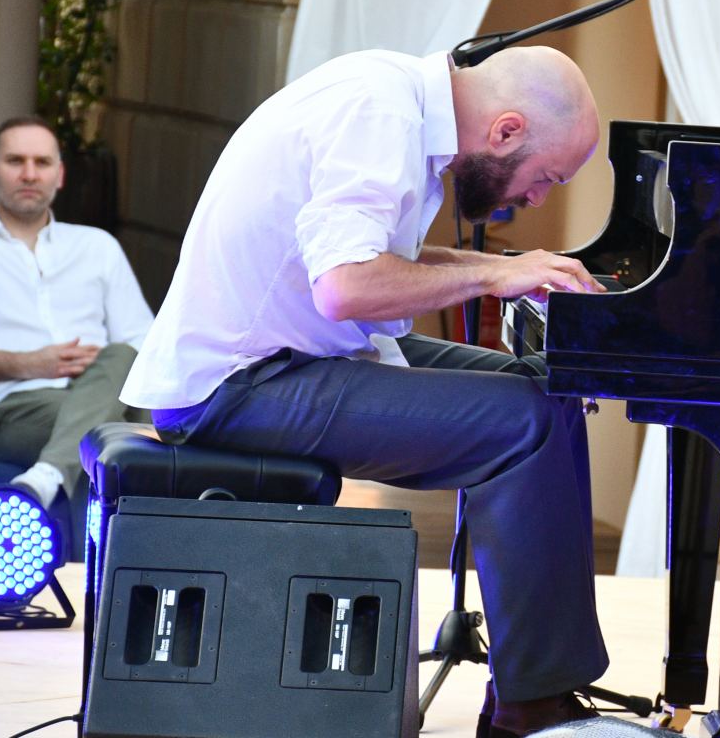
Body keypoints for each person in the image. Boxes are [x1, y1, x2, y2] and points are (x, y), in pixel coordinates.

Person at [121, 46, 610, 738]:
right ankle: (531, 707)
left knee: (544, 391)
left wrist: (507, 267)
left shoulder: (400, 100)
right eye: (546, 178)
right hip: (237, 383)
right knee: (521, 422)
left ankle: (537, 686)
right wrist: (492, 277)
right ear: (505, 131)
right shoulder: (378, 113)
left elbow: (386, 263)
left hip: (296, 357)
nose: (536, 198)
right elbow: (347, 286)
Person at [0, 116, 153, 510]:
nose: (29, 174)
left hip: (100, 394)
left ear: (59, 175)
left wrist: (101, 372)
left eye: (42, 163)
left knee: (123, 363)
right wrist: (29, 364)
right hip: (16, 409)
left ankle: (45, 479)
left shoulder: (98, 246)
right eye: (15, 161)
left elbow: (143, 340)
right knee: (114, 436)